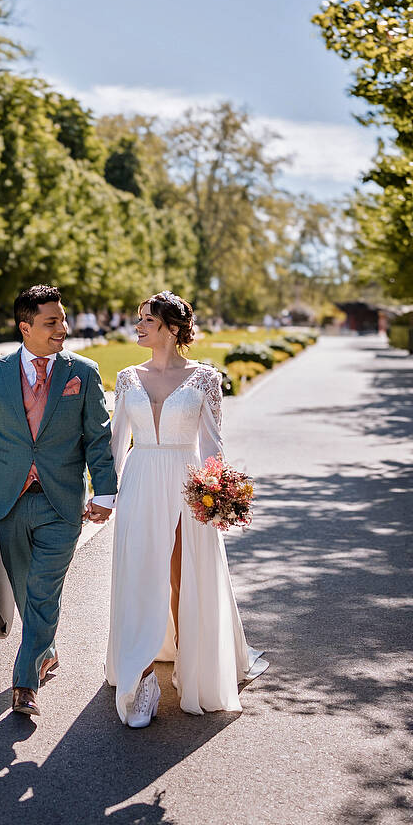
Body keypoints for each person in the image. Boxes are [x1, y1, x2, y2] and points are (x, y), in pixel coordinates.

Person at [104, 291, 268, 728]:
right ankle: (140, 678)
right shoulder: (126, 378)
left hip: (185, 482)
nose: (137, 326)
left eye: (146, 320)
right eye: (137, 319)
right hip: (140, 481)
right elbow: (115, 443)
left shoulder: (205, 379)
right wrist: (104, 495)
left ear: (171, 329)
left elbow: (214, 445)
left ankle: (189, 663)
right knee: (139, 575)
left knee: (180, 578)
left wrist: (219, 494)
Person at [0, 284, 118, 716]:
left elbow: (98, 437)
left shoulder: (82, 372)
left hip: (62, 503)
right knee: (28, 592)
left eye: (64, 320)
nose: (62, 329)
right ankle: (45, 651)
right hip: (11, 501)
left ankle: (24, 684)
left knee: (44, 591)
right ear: (25, 327)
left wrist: (104, 491)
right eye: (51, 322)